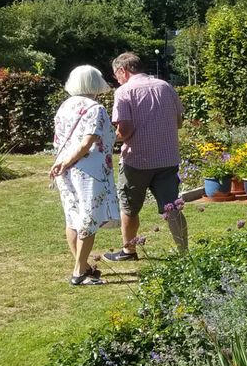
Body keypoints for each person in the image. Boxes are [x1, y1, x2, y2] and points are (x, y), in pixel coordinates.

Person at [103, 52, 187, 262]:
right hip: (167, 159)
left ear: (123, 70)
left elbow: (126, 129)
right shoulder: (165, 87)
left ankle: (129, 251)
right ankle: (184, 253)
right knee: (173, 208)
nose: (117, 79)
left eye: (116, 75)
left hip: (137, 160)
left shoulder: (124, 92)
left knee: (129, 207)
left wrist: (109, 140)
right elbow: (179, 122)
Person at [50, 66, 119, 285]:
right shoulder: (95, 108)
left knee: (73, 217)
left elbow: (60, 140)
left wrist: (63, 164)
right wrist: (71, 161)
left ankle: (84, 266)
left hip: (66, 170)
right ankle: (79, 272)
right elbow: (86, 142)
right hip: (89, 171)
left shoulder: (65, 106)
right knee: (88, 219)